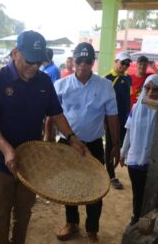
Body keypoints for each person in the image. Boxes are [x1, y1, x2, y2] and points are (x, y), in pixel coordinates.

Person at [0, 30, 89, 244]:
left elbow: (55, 113)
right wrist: (7, 149)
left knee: (24, 211)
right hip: (0, 161)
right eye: (30, 61)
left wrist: (72, 137)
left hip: (31, 162)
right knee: (1, 214)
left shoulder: (44, 81)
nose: (34, 67)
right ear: (15, 53)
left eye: (39, 62)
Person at [50, 42, 121, 243]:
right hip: (67, 144)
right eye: (79, 60)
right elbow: (52, 116)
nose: (83, 65)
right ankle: (71, 222)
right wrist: (49, 142)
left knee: (96, 187)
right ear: (73, 61)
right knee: (68, 184)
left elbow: (113, 117)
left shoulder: (105, 86)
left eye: (87, 61)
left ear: (93, 62)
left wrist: (116, 144)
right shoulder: (61, 85)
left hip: (94, 145)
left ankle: (92, 229)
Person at [120, 74, 158, 225]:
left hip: (155, 161)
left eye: (156, 89)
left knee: (157, 195)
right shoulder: (135, 107)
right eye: (147, 88)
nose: (151, 93)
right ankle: (136, 221)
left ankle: (155, 224)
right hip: (134, 160)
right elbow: (128, 131)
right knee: (138, 194)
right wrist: (122, 152)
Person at [104, 51, 132, 189]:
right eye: (123, 63)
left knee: (119, 145)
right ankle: (110, 175)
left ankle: (109, 169)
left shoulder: (128, 79)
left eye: (127, 64)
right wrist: (104, 122)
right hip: (111, 120)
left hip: (124, 119)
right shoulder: (107, 79)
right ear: (116, 61)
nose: (125, 66)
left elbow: (128, 99)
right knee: (110, 145)